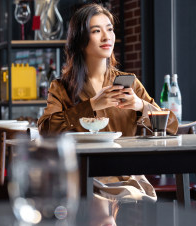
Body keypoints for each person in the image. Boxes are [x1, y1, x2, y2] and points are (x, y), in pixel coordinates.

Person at [37, 3, 178, 202]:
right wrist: (92, 105)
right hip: (83, 176)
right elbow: (45, 129)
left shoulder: (130, 83)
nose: (106, 37)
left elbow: (172, 125)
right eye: (96, 31)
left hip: (126, 176)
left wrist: (140, 106)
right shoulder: (61, 88)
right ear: (80, 40)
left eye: (109, 29)